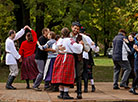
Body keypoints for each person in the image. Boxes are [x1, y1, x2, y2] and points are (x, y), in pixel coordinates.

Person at [51, 27, 83, 99]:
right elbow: (76, 47)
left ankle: (61, 93)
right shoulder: (70, 40)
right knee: (67, 74)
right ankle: (65, 93)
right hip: (67, 58)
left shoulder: (60, 40)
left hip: (59, 57)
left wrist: (58, 48)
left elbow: (54, 47)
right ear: (68, 33)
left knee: (60, 75)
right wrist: (81, 45)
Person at [70, 22, 90, 99]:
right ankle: (65, 92)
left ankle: (79, 92)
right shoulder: (68, 36)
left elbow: (88, 49)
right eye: (75, 28)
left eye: (78, 29)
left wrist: (83, 45)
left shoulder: (82, 37)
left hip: (78, 58)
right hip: (69, 58)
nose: (76, 30)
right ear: (72, 27)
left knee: (79, 75)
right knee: (68, 74)